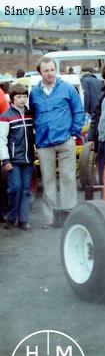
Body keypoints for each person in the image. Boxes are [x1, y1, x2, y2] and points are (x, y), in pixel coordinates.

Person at [29, 56, 84, 227]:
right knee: (48, 180)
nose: (50, 73)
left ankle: (68, 217)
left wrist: (74, 134)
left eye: (52, 70)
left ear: (56, 70)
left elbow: (79, 111)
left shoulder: (67, 89)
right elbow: (33, 114)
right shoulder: (34, 93)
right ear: (40, 73)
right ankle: (51, 219)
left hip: (65, 140)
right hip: (44, 143)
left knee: (68, 178)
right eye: (46, 71)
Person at [0, 84, 35, 230]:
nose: (22, 99)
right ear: (12, 98)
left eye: (24, 96)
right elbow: (1, 139)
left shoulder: (30, 115)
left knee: (26, 189)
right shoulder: (5, 116)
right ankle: (11, 216)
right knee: (15, 188)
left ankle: (23, 219)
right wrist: (5, 160)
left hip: (28, 159)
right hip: (13, 160)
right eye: (18, 96)